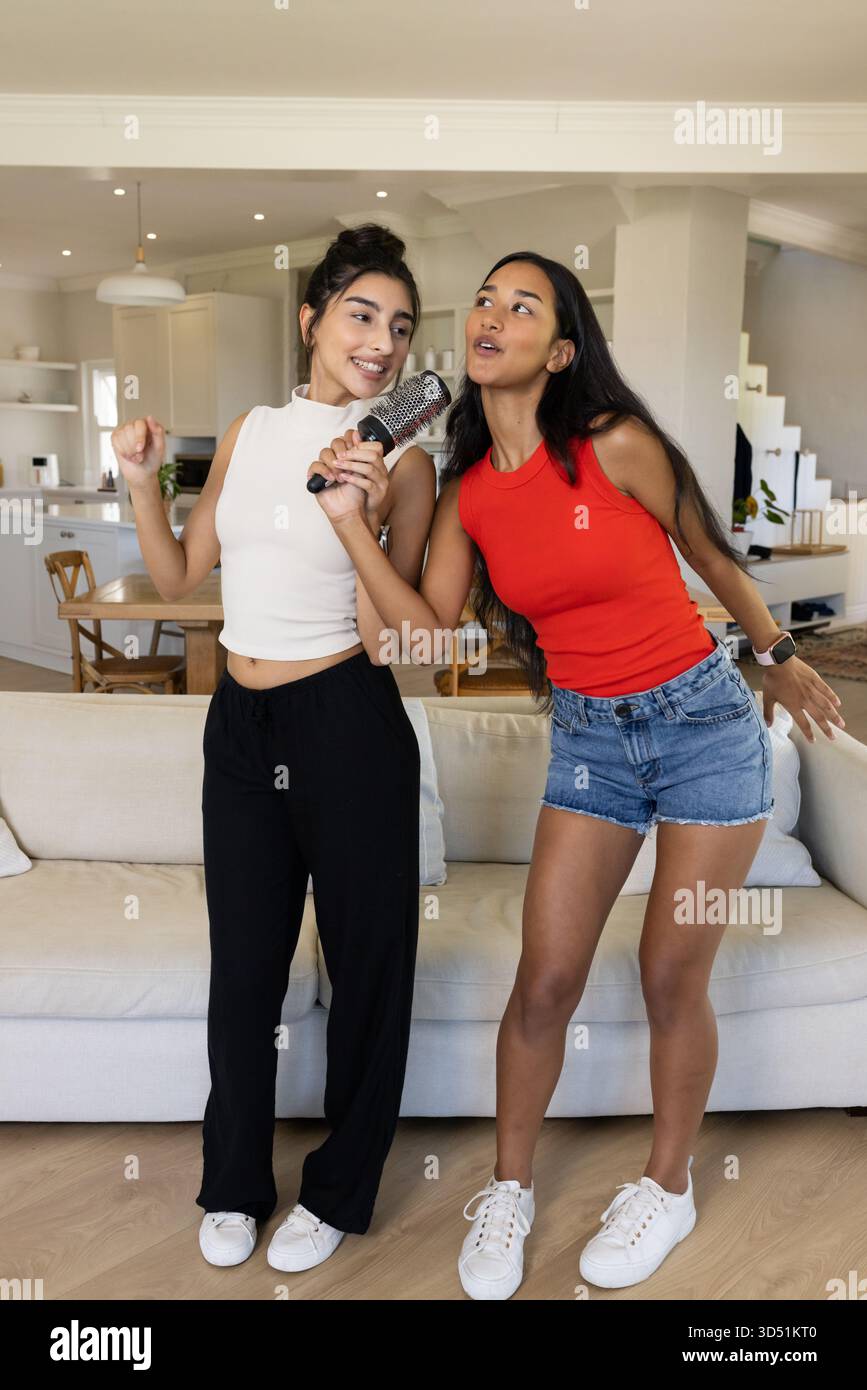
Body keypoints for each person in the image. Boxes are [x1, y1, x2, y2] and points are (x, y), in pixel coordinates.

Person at [311, 249, 845, 1299]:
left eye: (523, 305)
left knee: (666, 973)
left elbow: (713, 554)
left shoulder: (618, 444)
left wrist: (778, 660)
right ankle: (509, 1191)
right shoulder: (467, 498)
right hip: (593, 746)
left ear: (559, 351)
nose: (491, 316)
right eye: (484, 301)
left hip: (707, 731)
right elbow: (418, 642)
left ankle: (669, 1183)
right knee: (546, 978)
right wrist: (351, 524)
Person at [111, 224, 437, 1273]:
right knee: (244, 968)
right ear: (312, 319)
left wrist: (359, 516)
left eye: (398, 326)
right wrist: (142, 479)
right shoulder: (252, 431)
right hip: (240, 724)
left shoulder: (409, 458)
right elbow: (175, 579)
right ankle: (235, 1182)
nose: (380, 342)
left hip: (347, 720)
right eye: (359, 314)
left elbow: (403, 640)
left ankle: (340, 1192)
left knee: (368, 970)